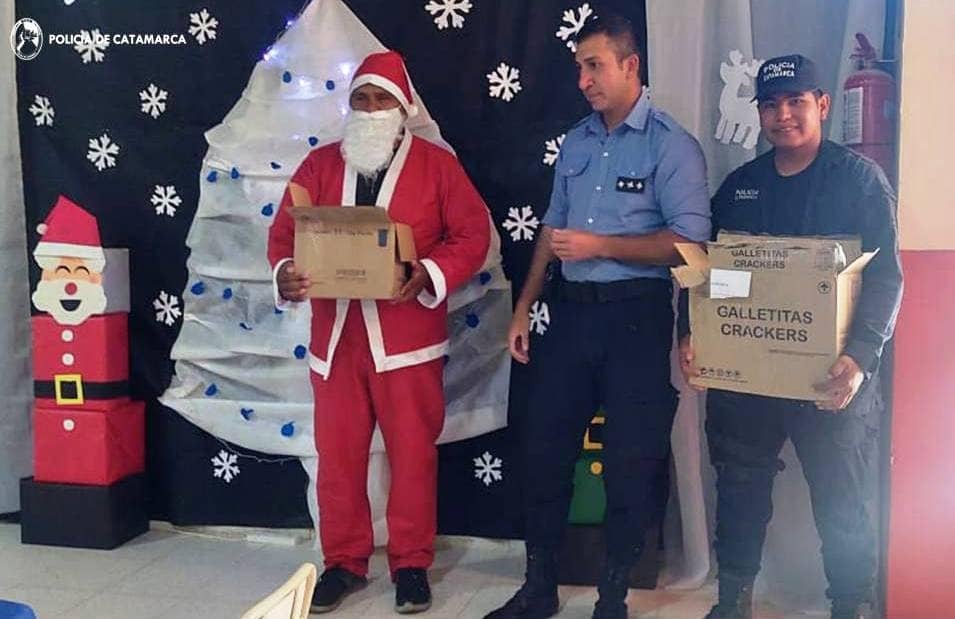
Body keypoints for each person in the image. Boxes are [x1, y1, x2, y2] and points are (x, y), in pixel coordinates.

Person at [485, 14, 710, 619]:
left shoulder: (671, 144)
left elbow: (691, 248)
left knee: (631, 461)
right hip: (572, 317)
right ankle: (539, 589)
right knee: (545, 449)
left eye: (595, 66)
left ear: (630, 65)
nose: (583, 80)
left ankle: (613, 597)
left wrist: (603, 246)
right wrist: (523, 307)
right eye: (579, 67)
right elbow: (552, 234)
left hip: (636, 318)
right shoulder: (579, 142)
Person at [678, 54, 903, 619]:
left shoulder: (859, 182)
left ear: (822, 106)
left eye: (796, 102)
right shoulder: (742, 187)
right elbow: (710, 273)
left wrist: (861, 357)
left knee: (843, 501)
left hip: (832, 379)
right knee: (739, 490)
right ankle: (732, 602)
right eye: (771, 106)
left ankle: (849, 607)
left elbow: (885, 278)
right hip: (750, 381)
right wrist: (694, 334)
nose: (783, 116)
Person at [267, 50, 491, 614]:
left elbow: (471, 236)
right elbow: (283, 236)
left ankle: (411, 563)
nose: (370, 110)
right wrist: (285, 274)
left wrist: (426, 274)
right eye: (360, 99)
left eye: (381, 99)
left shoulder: (438, 167)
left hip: (407, 338)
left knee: (413, 453)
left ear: (403, 107)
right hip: (337, 340)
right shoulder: (319, 168)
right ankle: (343, 562)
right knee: (337, 455)